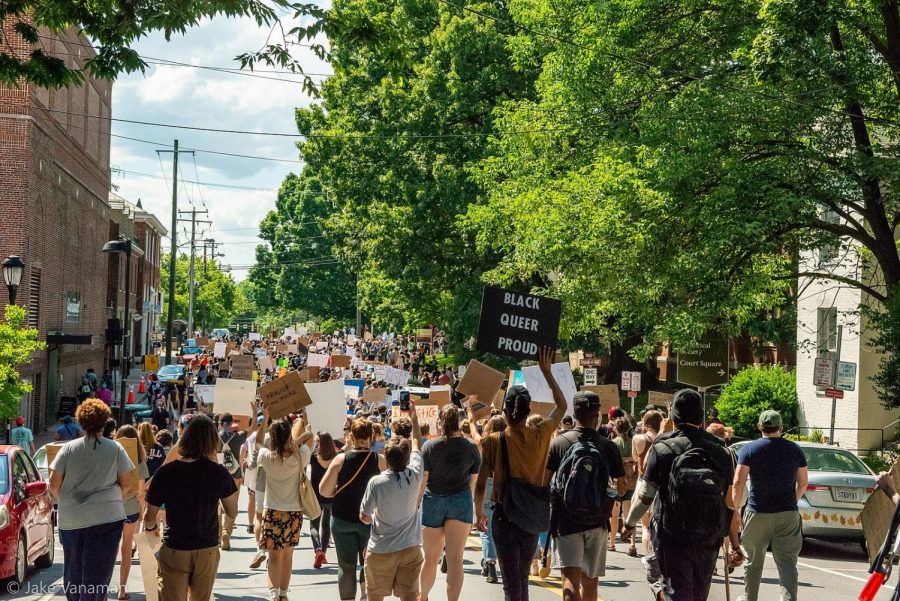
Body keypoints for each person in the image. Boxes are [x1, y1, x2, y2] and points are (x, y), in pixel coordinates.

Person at [622, 389, 742, 601]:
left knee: (675, 593)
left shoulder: (663, 448)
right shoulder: (722, 451)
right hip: (708, 536)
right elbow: (730, 503)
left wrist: (630, 523)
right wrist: (734, 542)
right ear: (702, 416)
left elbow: (646, 496)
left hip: (672, 535)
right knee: (698, 594)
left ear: (674, 418)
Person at [474, 347, 568, 601]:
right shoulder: (542, 434)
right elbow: (562, 405)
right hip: (532, 515)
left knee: (511, 586)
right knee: (523, 581)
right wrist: (547, 373)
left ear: (504, 412)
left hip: (504, 516)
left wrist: (479, 511)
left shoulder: (493, 441)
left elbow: (481, 484)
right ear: (529, 411)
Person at [144, 414, 239, 601]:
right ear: (212, 441)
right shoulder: (218, 472)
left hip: (175, 547)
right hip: (207, 547)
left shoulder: (166, 472)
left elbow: (149, 516)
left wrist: (151, 528)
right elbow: (232, 511)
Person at [49, 399, 135, 601]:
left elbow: (54, 484)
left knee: (73, 570)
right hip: (107, 518)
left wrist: (66, 500)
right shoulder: (115, 449)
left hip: (71, 519)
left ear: (81, 422)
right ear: (105, 423)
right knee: (99, 572)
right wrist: (114, 498)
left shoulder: (68, 449)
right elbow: (128, 482)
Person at [546, 391, 626, 601]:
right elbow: (622, 488)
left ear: (574, 413)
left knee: (569, 581)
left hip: (566, 521)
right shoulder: (608, 446)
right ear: (597, 414)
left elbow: (544, 482)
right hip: (597, 521)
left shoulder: (560, 443)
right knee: (590, 582)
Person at [732, 410, 808, 601]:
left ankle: (750, 598)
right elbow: (803, 483)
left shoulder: (749, 449)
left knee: (754, 561)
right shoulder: (795, 449)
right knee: (788, 563)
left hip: (758, 512)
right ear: (780, 428)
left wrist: (735, 510)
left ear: (760, 427)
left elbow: (738, 482)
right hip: (788, 514)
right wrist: (794, 499)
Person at [359, 404, 424, 601]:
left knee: (375, 597)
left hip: (381, 549)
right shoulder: (415, 474)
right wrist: (414, 420)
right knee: (410, 597)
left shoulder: (376, 483)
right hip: (410, 548)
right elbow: (417, 443)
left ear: (385, 458)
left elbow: (365, 517)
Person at [320, 418, 387, 601]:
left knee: (346, 566)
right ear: (372, 437)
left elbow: (324, 491)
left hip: (342, 518)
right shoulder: (380, 461)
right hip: (370, 519)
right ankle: (366, 596)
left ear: (351, 436)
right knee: (369, 563)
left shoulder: (341, 459)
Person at [419, 404, 481, 601]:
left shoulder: (429, 446)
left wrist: (416, 502)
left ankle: (424, 597)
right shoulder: (471, 446)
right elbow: (474, 480)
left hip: (433, 500)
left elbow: (424, 478)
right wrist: (468, 501)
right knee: (455, 559)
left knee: (430, 559)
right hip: (460, 499)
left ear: (440, 422)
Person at [254, 410, 314, 601]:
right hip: (294, 513)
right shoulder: (300, 457)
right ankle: (283, 594)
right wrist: (304, 424)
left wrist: (264, 417)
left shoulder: (267, 457)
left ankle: (273, 594)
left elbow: (256, 442)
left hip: (272, 511)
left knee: (273, 557)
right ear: (289, 436)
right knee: (288, 556)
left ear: (271, 438)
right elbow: (311, 436)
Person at [114, 425, 150, 601]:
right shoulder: (140, 461)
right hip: (130, 509)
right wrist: (142, 511)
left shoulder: (111, 457)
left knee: (108, 548)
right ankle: (122, 589)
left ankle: (101, 588)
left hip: (110, 508)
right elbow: (141, 492)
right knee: (126, 548)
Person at [632, 409, 663, 556]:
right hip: (660, 485)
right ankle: (656, 555)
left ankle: (647, 557)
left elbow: (634, 457)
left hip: (643, 482)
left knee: (645, 526)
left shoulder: (638, 439)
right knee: (657, 525)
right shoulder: (664, 438)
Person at [310, 431, 339, 569]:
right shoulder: (337, 458)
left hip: (315, 496)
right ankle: (324, 553)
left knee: (314, 525)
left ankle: (318, 550)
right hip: (330, 496)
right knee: (326, 524)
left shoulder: (314, 458)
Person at [611, 415, 638, 557]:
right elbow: (636, 459)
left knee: (614, 515)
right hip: (631, 480)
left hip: (617, 481)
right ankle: (632, 543)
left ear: (616, 428)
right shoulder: (633, 442)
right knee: (629, 515)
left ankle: (612, 543)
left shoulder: (614, 443)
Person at [219, 413, 246, 550]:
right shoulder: (238, 437)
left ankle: (217, 535)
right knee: (232, 506)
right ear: (231, 424)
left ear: (219, 423)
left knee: (217, 506)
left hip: (217, 475)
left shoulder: (214, 438)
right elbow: (253, 429)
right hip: (234, 475)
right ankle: (226, 532)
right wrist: (253, 413)